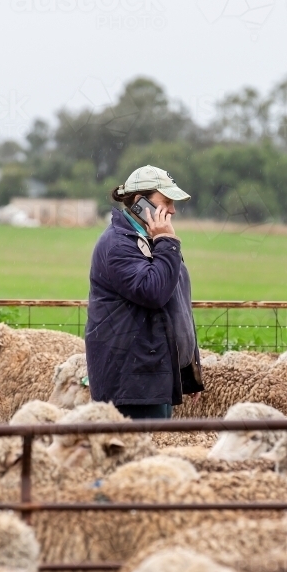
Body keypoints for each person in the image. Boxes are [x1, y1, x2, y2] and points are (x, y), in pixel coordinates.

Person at [84, 165, 204, 419]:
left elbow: (177, 304)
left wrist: (188, 367)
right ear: (140, 203)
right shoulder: (119, 244)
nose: (172, 210)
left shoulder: (151, 240)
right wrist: (168, 243)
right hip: (131, 381)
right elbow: (153, 293)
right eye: (166, 202)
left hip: (151, 375)